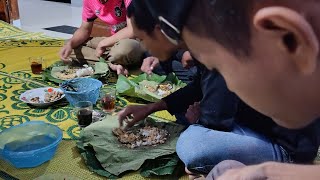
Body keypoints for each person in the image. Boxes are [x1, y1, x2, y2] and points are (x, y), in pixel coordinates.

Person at [118, 1, 320, 179]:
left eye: (219, 68)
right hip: (260, 133)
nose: (229, 86)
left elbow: (217, 114)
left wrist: (199, 122)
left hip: (284, 148)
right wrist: (267, 172)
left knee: (193, 142)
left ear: (289, 37)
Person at [59, 0, 142, 75]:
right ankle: (112, 64)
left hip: (138, 42)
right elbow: (85, 29)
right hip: (114, 42)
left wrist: (103, 43)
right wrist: (70, 44)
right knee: (71, 47)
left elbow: (132, 30)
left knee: (123, 50)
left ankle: (111, 60)